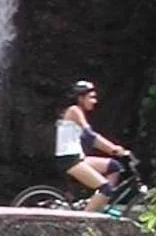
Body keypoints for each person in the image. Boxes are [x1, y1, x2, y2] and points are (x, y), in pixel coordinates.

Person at [55, 79, 133, 211]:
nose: (94, 101)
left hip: (78, 157)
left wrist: (113, 150)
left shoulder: (77, 111)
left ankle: (99, 204)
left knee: (115, 167)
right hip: (69, 160)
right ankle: (84, 222)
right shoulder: (74, 110)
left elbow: (93, 140)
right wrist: (113, 149)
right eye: (91, 97)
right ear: (80, 98)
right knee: (105, 188)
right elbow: (91, 136)